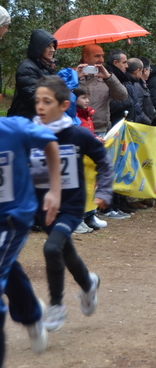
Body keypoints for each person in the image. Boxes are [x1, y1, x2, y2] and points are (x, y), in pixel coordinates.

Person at [31, 76, 110, 331]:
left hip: (71, 206)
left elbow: (103, 161)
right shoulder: (29, 133)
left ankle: (56, 306)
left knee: (52, 249)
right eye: (37, 101)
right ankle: (88, 284)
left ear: (64, 105)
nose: (40, 106)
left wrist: (105, 192)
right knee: (66, 251)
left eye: (47, 101)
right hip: (42, 208)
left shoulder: (77, 134)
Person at [0, 116, 62, 368]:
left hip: (11, 218)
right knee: (6, 266)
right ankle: (30, 311)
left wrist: (55, 189)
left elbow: (50, 142)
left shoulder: (14, 128)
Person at [77, 45, 128, 136]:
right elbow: (61, 97)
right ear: (86, 57)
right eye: (97, 56)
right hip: (79, 129)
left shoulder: (106, 76)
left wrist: (109, 78)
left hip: (101, 130)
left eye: (102, 56)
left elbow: (122, 96)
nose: (101, 60)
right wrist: (74, 78)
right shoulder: (73, 75)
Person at [8, 29, 58, 119]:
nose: (53, 50)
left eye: (53, 46)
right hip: (25, 120)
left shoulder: (46, 66)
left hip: (38, 119)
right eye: (49, 46)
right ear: (39, 47)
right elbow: (32, 98)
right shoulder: (27, 68)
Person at [107, 50, 142, 126]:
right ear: (115, 63)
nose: (127, 66)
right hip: (116, 127)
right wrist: (128, 101)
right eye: (124, 62)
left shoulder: (123, 78)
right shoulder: (108, 79)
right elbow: (109, 104)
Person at [127, 58, 155, 126]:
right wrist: (148, 122)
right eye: (149, 70)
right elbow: (138, 108)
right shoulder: (136, 85)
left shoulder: (140, 84)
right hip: (140, 126)